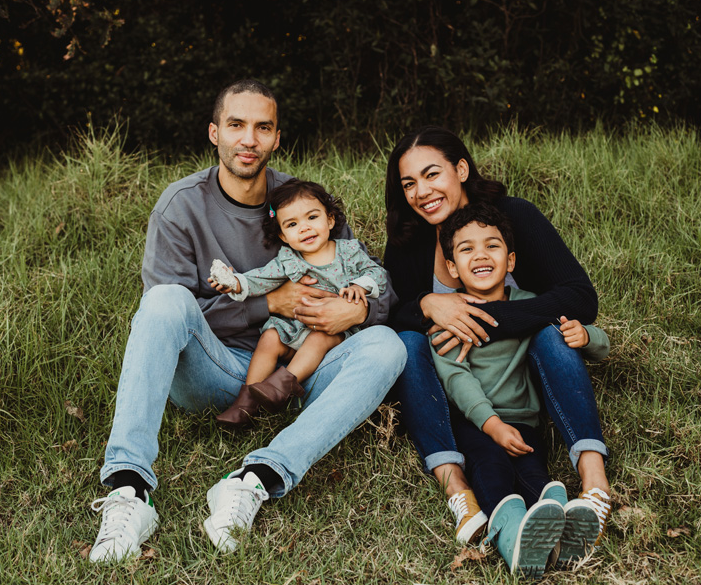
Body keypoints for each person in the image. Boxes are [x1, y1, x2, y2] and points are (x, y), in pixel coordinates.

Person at [88, 79, 405, 563]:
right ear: (214, 132)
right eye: (236, 125)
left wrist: (358, 308)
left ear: (277, 138)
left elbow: (370, 279)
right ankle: (130, 489)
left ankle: (254, 478)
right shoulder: (181, 207)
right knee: (164, 300)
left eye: (263, 127)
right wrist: (268, 303)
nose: (249, 139)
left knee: (388, 345)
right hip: (215, 369)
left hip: (304, 367)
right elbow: (172, 316)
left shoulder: (302, 202)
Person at [383, 126, 612, 547]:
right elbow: (391, 313)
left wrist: (489, 316)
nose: (422, 192)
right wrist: (429, 306)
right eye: (409, 183)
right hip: (452, 383)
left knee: (552, 333)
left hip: (520, 377)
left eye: (432, 174)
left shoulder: (512, 218)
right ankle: (457, 489)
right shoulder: (410, 237)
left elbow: (579, 297)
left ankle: (594, 484)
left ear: (462, 169)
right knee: (408, 342)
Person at [430, 204, 610, 578]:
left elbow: (599, 345)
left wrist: (586, 336)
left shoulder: (531, 305)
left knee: (534, 474)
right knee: (492, 472)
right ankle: (513, 539)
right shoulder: (449, 317)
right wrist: (491, 424)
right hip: (475, 425)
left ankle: (557, 534)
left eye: (492, 246)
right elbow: (456, 378)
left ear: (510, 260)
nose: (480, 255)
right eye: (466, 249)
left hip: (525, 422)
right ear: (451, 268)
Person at [209, 178, 388, 426]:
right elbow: (261, 279)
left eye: (312, 218)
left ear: (330, 220)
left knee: (318, 337)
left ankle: (283, 385)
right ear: (283, 235)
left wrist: (361, 285)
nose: (304, 228)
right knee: (270, 336)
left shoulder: (349, 252)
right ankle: (246, 402)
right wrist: (236, 282)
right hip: (296, 329)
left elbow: (378, 274)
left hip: (334, 332)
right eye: (292, 224)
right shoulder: (288, 260)